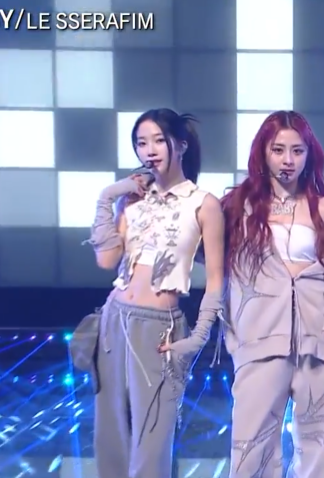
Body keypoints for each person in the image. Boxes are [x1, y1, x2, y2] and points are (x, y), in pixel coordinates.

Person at [202, 110, 324, 478]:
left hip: (322, 345)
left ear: (310, 155)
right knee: (251, 451)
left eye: (297, 150)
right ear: (263, 153)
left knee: (317, 452)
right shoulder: (236, 208)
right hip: (259, 343)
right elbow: (205, 254)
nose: (288, 160)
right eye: (278, 150)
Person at [78, 108, 226, 478]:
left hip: (160, 328)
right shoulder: (132, 202)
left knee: (153, 439)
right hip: (114, 322)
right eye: (141, 143)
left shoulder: (203, 203)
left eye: (159, 140)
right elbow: (107, 260)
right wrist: (107, 197)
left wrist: (199, 336)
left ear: (181, 145)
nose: (149, 150)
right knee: (111, 433)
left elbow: (217, 278)